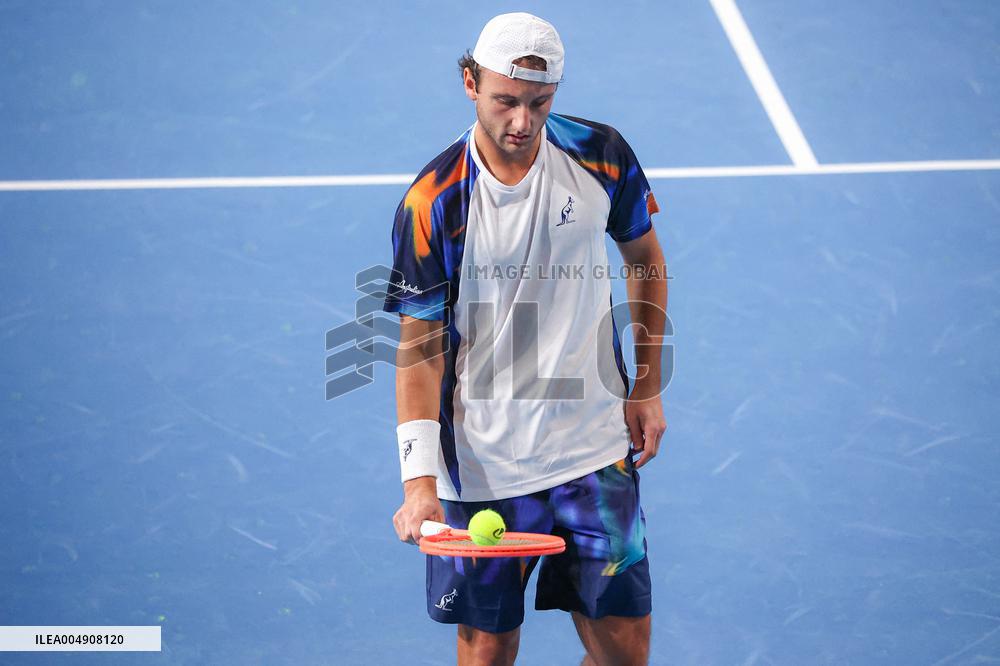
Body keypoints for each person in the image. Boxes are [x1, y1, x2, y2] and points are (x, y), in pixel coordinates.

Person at [384, 12, 668, 666]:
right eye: (505, 100)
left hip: (594, 450)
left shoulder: (600, 154)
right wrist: (417, 481)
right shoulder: (434, 203)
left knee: (625, 655)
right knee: (487, 651)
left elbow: (646, 260)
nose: (521, 121)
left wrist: (647, 386)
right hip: (483, 465)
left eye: (539, 103)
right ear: (470, 83)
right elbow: (419, 351)